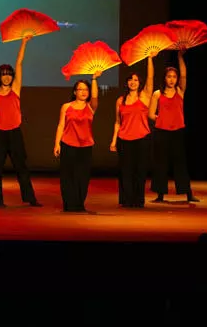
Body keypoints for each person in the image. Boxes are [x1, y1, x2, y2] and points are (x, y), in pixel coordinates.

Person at [0, 35, 41, 207]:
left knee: (21, 167)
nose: (7, 77)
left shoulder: (15, 89)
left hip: (14, 133)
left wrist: (23, 43)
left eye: (9, 75)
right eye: (3, 75)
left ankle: (30, 198)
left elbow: (19, 63)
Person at [148, 50, 197, 202]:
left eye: (174, 77)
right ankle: (160, 194)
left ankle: (188, 193)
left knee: (180, 162)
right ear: (164, 78)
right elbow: (150, 114)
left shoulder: (180, 91)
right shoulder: (157, 94)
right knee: (161, 163)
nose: (172, 79)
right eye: (169, 76)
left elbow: (184, 75)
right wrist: (161, 118)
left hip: (177, 131)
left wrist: (180, 56)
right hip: (162, 132)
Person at [111, 51, 157, 208]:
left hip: (142, 138)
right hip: (124, 139)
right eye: (130, 80)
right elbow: (117, 122)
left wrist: (150, 59)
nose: (133, 82)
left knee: (140, 171)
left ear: (139, 83)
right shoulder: (120, 100)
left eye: (136, 80)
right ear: (127, 83)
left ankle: (138, 200)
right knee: (125, 171)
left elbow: (150, 79)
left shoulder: (144, 96)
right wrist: (113, 141)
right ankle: (126, 199)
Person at [53, 72, 101, 212]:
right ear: (75, 92)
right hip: (68, 144)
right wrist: (57, 143)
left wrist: (94, 79)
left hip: (85, 146)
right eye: (80, 89)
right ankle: (69, 204)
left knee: (83, 177)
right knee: (68, 176)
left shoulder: (91, 107)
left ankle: (79, 204)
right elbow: (61, 125)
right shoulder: (66, 107)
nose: (83, 92)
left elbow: (95, 96)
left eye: (86, 89)